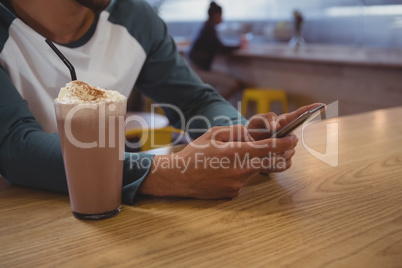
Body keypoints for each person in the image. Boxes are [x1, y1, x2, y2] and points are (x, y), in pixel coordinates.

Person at [0, 0, 321, 203]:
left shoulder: (135, 17)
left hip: (115, 218)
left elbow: (195, 101)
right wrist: (167, 172)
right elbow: (14, 146)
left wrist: (241, 139)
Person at [188, 1, 242, 102]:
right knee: (232, 84)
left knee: (227, 81)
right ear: (215, 15)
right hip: (197, 71)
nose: (222, 19)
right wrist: (239, 46)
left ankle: (211, 106)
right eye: (221, 15)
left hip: (196, 69)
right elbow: (221, 48)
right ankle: (212, 107)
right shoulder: (208, 30)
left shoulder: (206, 28)